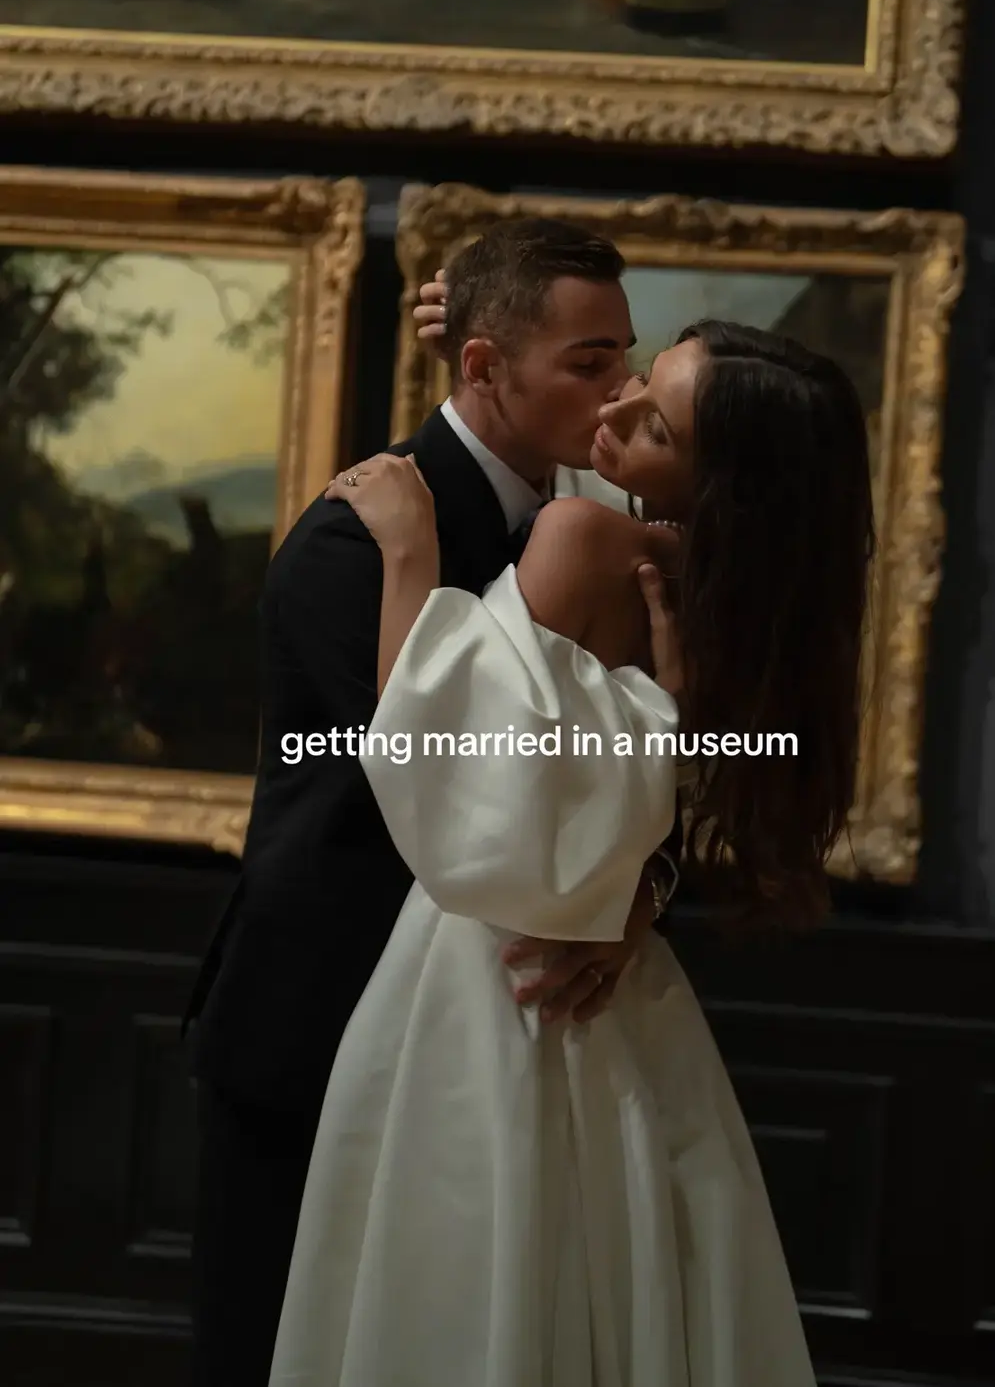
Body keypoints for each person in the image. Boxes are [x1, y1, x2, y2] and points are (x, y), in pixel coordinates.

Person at [267, 289, 876, 1382]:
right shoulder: (748, 590)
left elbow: (442, 769)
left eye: (653, 421)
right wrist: (638, 898)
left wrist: (411, 553)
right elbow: (672, 792)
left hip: (481, 969)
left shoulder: (583, 533)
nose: (620, 400)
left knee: (464, 1285)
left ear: (714, 479)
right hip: (622, 995)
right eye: (641, 367)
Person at [184, 220, 682, 1387]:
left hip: (502, 1031)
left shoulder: (606, 539)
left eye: (628, 357)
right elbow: (446, 785)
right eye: (588, 362)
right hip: (322, 1020)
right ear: (480, 369)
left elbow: (661, 766)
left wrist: (640, 895)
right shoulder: (356, 542)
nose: (621, 389)